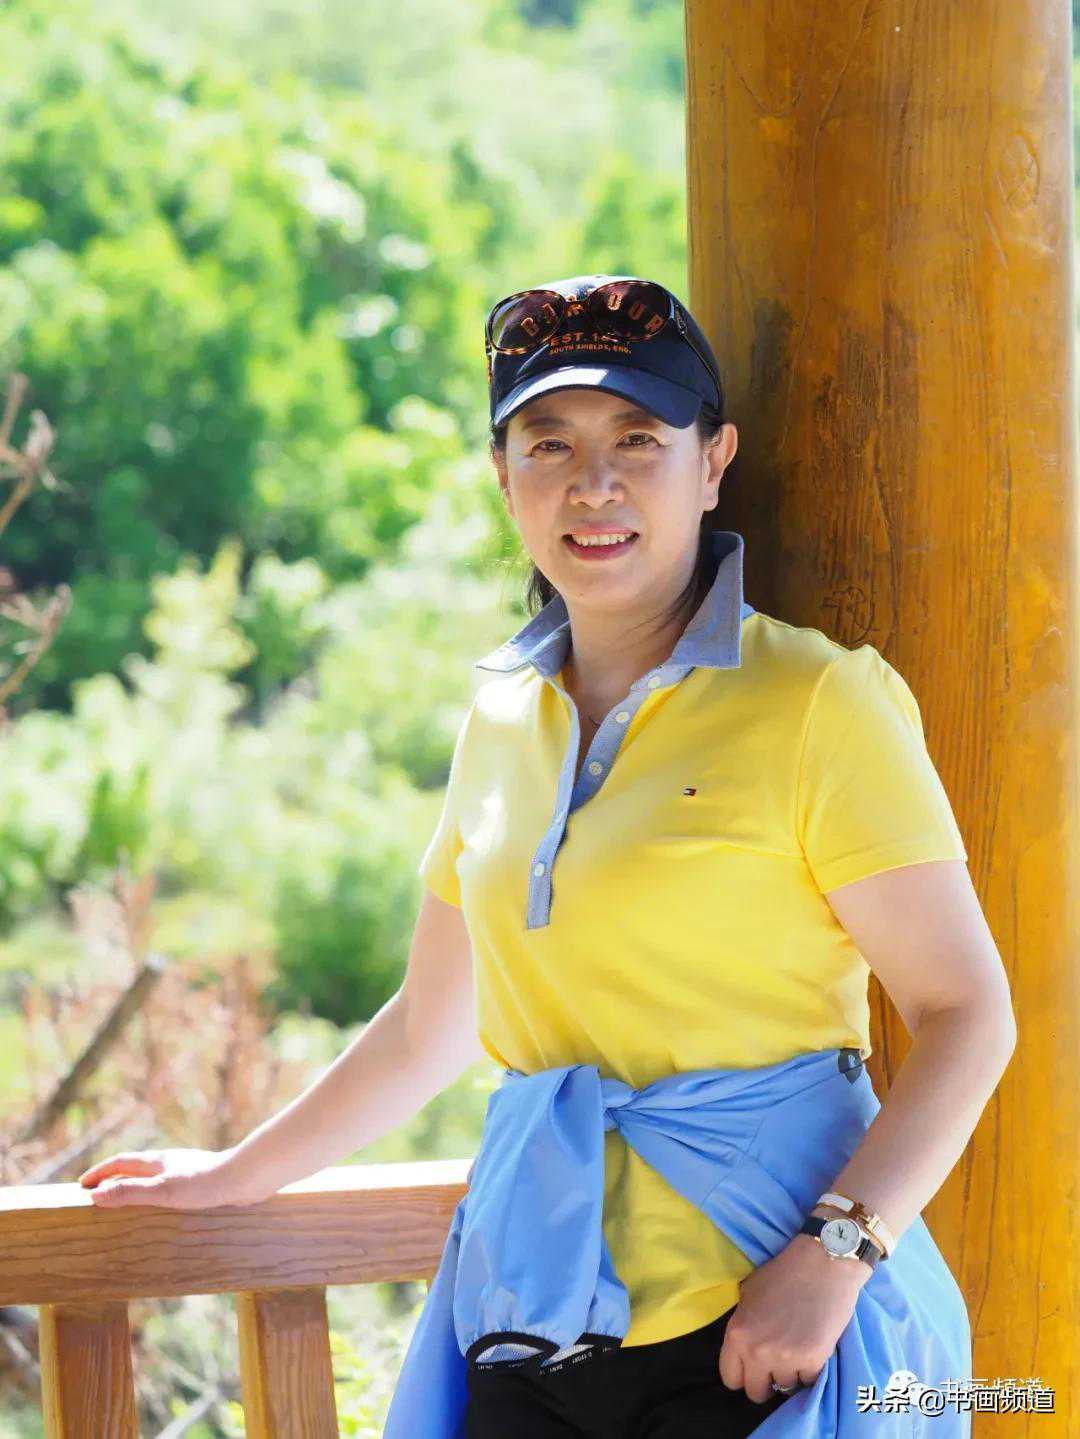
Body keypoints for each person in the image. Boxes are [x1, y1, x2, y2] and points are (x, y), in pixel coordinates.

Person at [79, 274, 1016, 1439]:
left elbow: (968, 1011)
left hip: (757, 1319)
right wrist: (234, 1173)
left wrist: (838, 1252)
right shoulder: (500, 713)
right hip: (530, 1312)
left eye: (639, 438)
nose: (595, 482)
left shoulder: (820, 698)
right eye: (549, 443)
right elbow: (430, 1027)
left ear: (713, 461)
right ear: (503, 474)